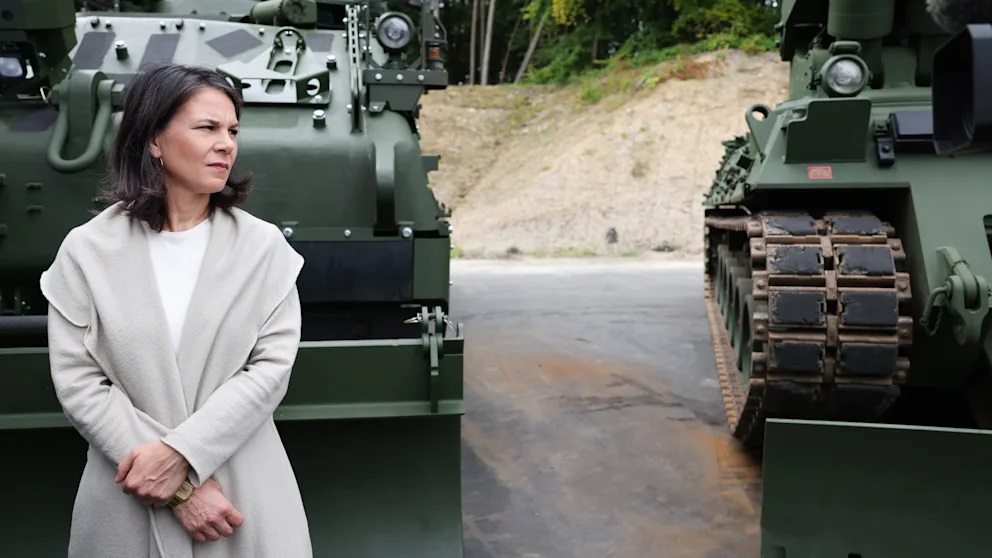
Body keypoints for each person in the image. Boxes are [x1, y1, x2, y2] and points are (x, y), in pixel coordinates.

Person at [39, 63, 312, 557]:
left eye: (232, 130)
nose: (226, 143)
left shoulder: (263, 248)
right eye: (207, 128)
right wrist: (182, 488)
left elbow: (270, 369)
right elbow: (79, 380)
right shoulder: (87, 251)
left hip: (240, 497)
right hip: (125, 495)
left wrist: (182, 457)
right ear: (153, 140)